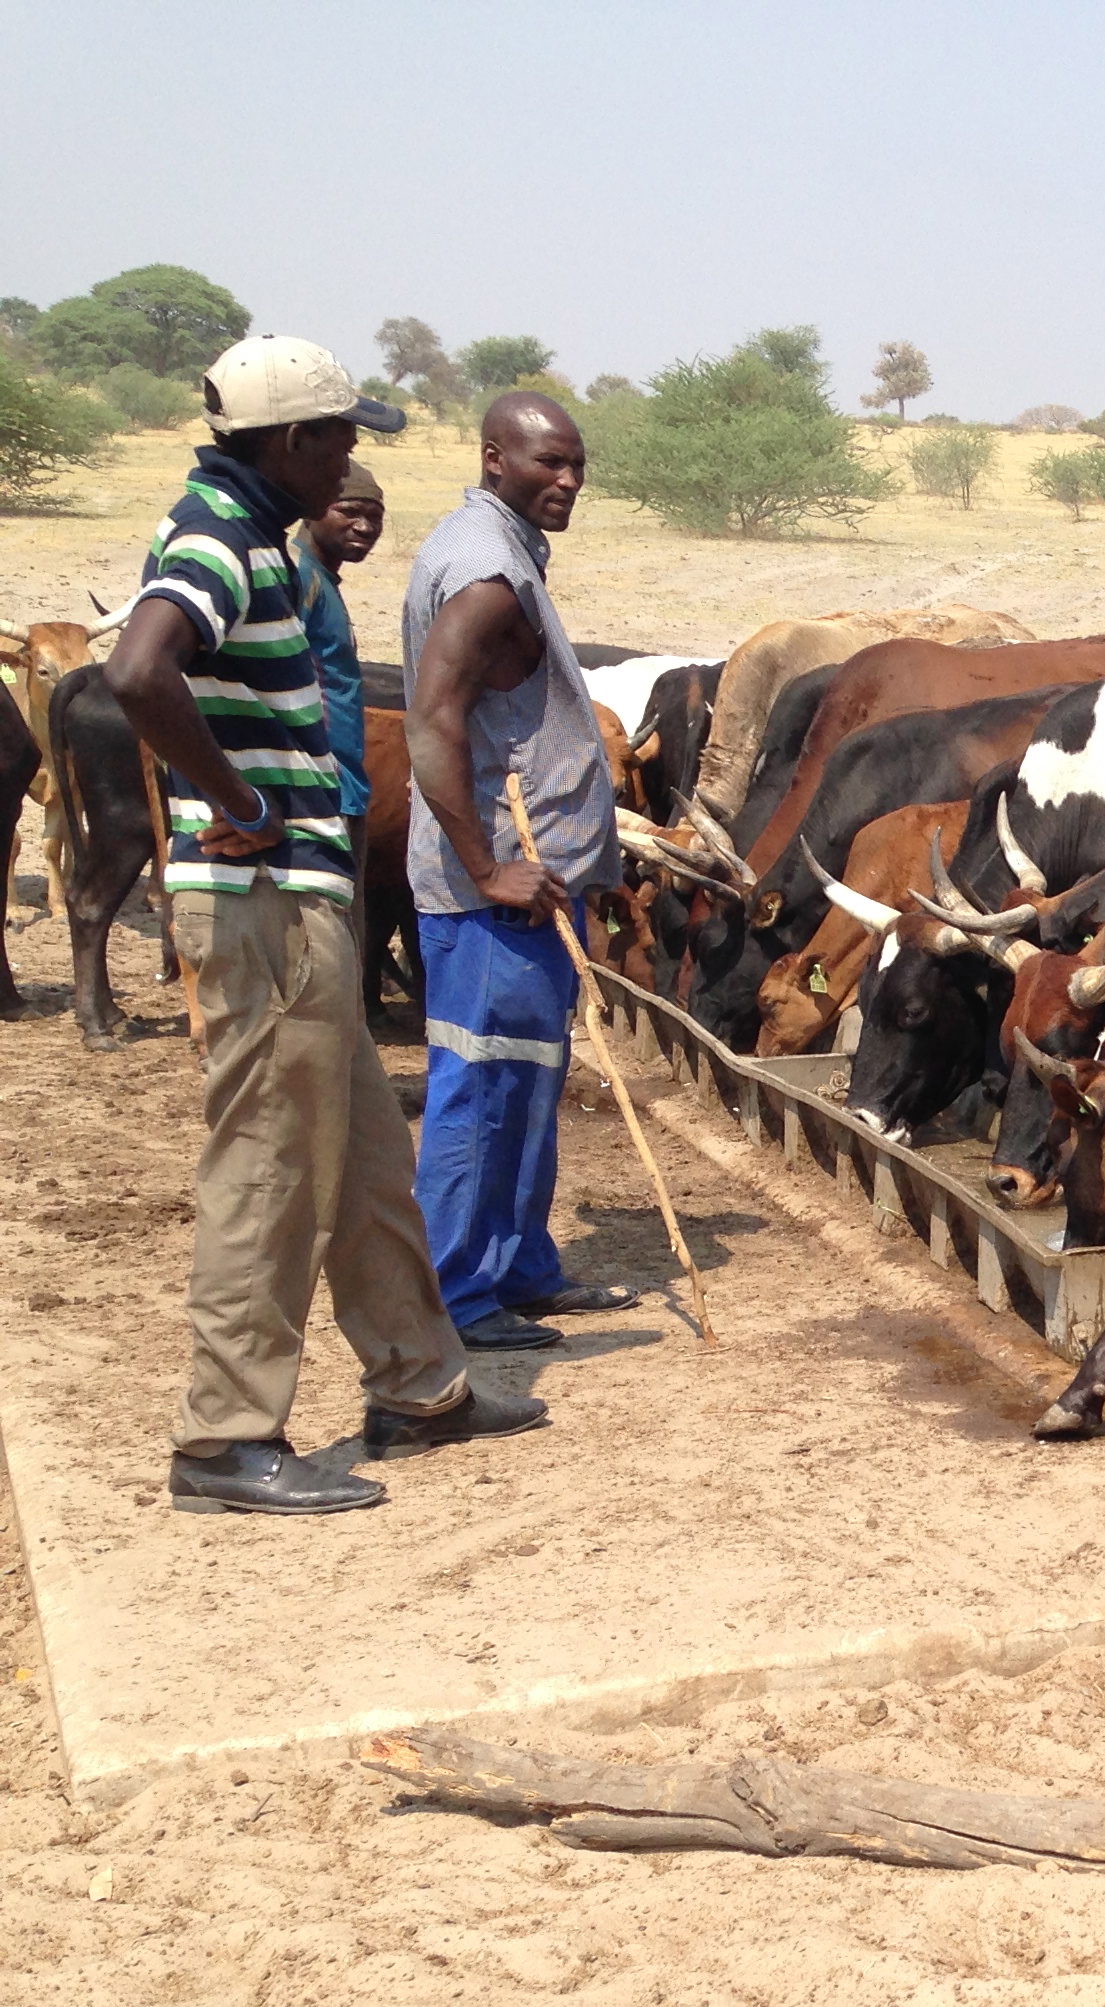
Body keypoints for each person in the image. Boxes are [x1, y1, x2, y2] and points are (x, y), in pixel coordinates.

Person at [108, 337, 546, 1516]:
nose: (351, 457)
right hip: (259, 901)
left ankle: (419, 1387)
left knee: (361, 1164)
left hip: (298, 902)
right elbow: (139, 669)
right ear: (292, 442)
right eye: (342, 436)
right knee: (267, 1167)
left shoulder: (256, 536)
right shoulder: (219, 538)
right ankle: (223, 1437)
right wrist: (240, 802)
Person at [402, 391, 630, 1348]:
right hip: (498, 895)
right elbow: (434, 718)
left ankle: (521, 1267)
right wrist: (487, 865)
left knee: (529, 1079)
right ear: (495, 457)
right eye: (548, 464)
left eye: (577, 464)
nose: (568, 482)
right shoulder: (488, 571)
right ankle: (455, 1295)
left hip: (538, 892)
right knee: (481, 1087)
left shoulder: (496, 552)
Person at [294, 458, 384, 839]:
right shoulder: (297, 576)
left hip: (342, 787)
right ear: (312, 508)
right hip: (311, 795)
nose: (364, 527)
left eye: (375, 517)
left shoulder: (321, 580)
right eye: (348, 511)